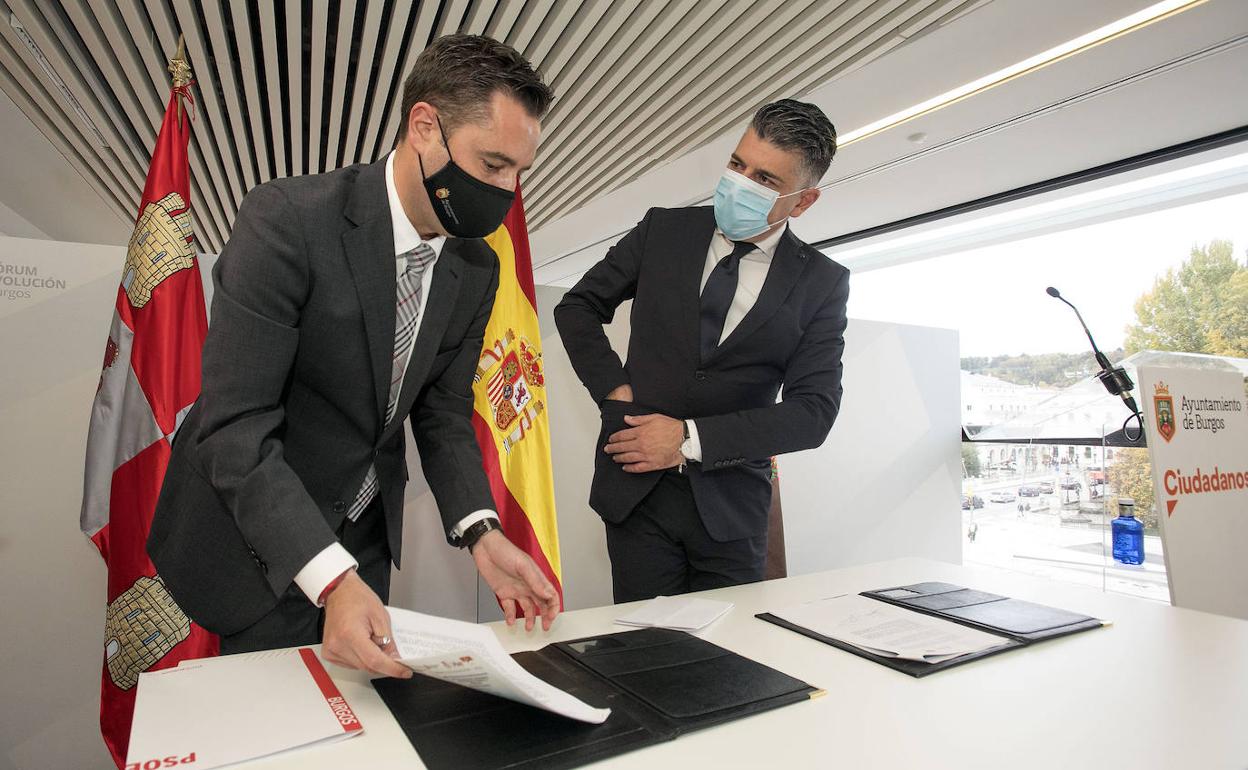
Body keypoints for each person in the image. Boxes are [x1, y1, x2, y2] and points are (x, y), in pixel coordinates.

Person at [148, 34, 559, 677]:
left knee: (357, 715)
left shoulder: (476, 268)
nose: (507, 191)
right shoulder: (287, 220)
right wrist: (331, 578)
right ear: (425, 127)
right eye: (492, 164)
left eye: (518, 172)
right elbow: (235, 426)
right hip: (259, 540)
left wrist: (483, 532)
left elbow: (444, 414)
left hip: (365, 542)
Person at [553, 100, 848, 603]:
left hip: (732, 508)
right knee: (645, 641)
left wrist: (688, 438)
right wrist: (615, 392)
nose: (741, 184)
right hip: (636, 491)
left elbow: (813, 413)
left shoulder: (822, 282)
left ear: (803, 201)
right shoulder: (662, 231)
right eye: (737, 164)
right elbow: (578, 306)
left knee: (728, 647)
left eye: (765, 179)